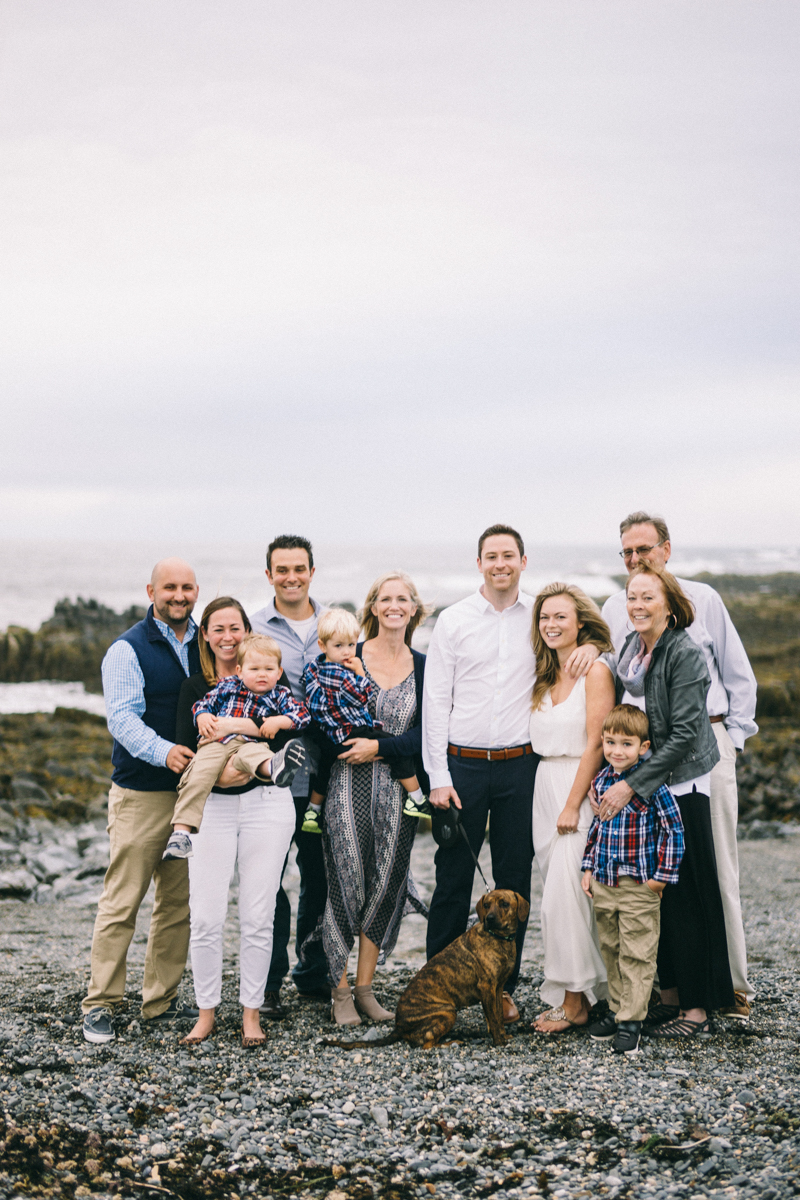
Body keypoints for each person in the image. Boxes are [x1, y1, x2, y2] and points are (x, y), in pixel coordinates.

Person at [423, 525, 599, 1024]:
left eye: (509, 556)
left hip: (521, 767)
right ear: (479, 562)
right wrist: (438, 773)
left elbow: (573, 649)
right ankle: (440, 983)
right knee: (453, 878)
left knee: (514, 882)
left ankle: (502, 988)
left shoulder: (538, 620)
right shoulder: (454, 620)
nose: (500, 563)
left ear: (524, 560)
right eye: (491, 556)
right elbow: (435, 700)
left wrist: (596, 650)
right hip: (461, 766)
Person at [602, 511, 757, 1019]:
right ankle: (672, 988)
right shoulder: (618, 609)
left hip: (699, 751)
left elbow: (737, 674)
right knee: (662, 874)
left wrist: (731, 737)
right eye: (626, 552)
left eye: (644, 549)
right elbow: (615, 669)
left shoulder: (701, 600)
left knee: (715, 872)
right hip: (647, 759)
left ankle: (731, 988)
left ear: (667, 549)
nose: (635, 560)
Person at [82, 558, 202, 1044]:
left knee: (175, 906)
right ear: (151, 590)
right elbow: (123, 721)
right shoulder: (126, 650)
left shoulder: (207, 642)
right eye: (169, 587)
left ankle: (161, 1001)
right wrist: (165, 751)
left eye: (187, 587)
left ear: (197, 591)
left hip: (190, 799)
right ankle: (100, 1004)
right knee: (121, 901)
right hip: (139, 795)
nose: (179, 595)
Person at [173, 599, 299, 1047]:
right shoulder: (197, 690)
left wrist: (243, 736)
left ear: (246, 633)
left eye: (235, 628)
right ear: (205, 634)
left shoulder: (271, 683)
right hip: (215, 809)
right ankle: (206, 1013)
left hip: (269, 805)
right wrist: (243, 736)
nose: (227, 636)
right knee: (206, 918)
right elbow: (191, 746)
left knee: (258, 916)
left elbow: (284, 734)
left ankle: (251, 1014)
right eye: (217, 628)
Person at [314, 571, 431, 1025]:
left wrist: (380, 746)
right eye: (386, 598)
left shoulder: (425, 666)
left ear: (414, 609)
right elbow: (320, 721)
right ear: (373, 608)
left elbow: (427, 734)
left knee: (386, 886)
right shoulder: (346, 655)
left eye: (403, 598)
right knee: (346, 882)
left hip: (400, 792)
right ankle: (339, 990)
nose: (394, 605)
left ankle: (365, 989)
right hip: (345, 783)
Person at [528, 583, 616, 1034]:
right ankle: (592, 990)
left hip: (575, 787)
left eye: (561, 616)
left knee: (565, 899)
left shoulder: (594, 670)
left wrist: (572, 803)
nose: (551, 625)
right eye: (545, 617)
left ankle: (575, 1000)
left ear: (580, 621)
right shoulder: (544, 673)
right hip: (543, 784)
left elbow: (596, 744)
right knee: (559, 893)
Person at [250, 535, 330, 1014]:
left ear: (311, 572)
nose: (291, 577)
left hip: (325, 777)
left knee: (319, 877)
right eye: (282, 569)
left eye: (299, 568)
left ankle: (312, 969)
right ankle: (270, 980)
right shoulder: (254, 627)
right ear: (269, 575)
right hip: (273, 776)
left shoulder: (335, 623)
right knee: (270, 881)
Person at [581, 705, 685, 1056]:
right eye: (610, 742)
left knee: (637, 953)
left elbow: (675, 832)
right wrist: (587, 868)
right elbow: (596, 830)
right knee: (611, 948)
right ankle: (616, 1008)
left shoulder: (653, 786)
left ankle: (631, 1022)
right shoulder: (602, 781)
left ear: (644, 747)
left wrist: (661, 879)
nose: (616, 751)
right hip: (605, 883)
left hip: (640, 886)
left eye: (626, 744)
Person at [162, 634, 308, 858]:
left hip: (250, 743)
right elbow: (202, 704)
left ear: (279, 673)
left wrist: (279, 721)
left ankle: (276, 768)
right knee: (199, 773)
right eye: (254, 669)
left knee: (256, 756)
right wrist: (202, 717)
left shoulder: (280, 694)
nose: (262, 674)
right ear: (239, 670)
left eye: (269, 669)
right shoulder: (227, 686)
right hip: (216, 744)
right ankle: (181, 833)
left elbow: (301, 715)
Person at [301, 607, 428, 832]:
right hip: (350, 730)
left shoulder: (314, 668)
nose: (347, 652)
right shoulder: (341, 673)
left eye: (351, 645)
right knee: (393, 747)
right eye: (338, 646)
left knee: (325, 768)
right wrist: (360, 671)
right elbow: (362, 696)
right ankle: (416, 798)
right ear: (323, 645)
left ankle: (312, 810)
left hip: (330, 736)